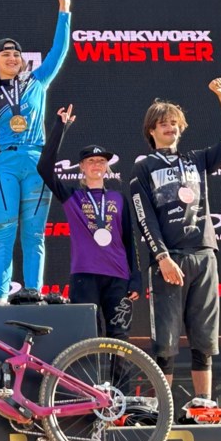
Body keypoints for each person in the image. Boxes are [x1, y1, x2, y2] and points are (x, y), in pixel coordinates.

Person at [129, 77, 221, 423]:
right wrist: (162, 257)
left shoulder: (197, 160)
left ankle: (203, 405)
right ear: (151, 130)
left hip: (204, 255)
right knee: (165, 339)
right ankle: (163, 408)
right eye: (163, 123)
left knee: (204, 336)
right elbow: (143, 216)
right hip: (170, 260)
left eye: (174, 123)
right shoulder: (144, 167)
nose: (169, 127)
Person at [0, 0, 71, 305]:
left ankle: (33, 293)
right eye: (5, 55)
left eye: (16, 54)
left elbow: (59, 52)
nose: (12, 58)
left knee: (34, 234)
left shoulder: (37, 82)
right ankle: (1, 297)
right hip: (3, 166)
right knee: (4, 231)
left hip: (37, 162)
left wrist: (64, 12)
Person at [37, 104, 141, 338]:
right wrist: (60, 128)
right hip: (85, 276)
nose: (96, 165)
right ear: (82, 167)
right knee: (86, 337)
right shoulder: (72, 196)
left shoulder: (119, 198)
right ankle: (86, 378)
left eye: (101, 161)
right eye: (91, 161)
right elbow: (44, 168)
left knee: (120, 338)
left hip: (118, 277)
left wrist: (135, 278)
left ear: (107, 167)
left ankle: (118, 378)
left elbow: (128, 241)